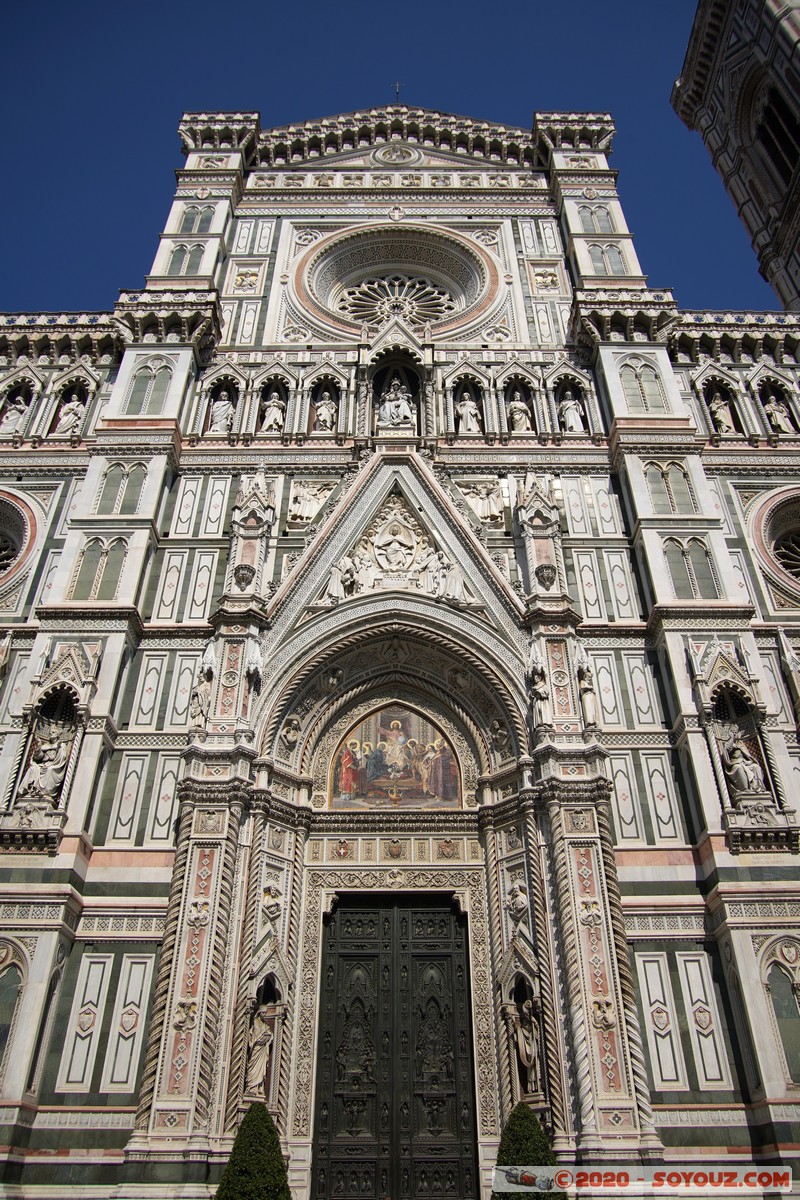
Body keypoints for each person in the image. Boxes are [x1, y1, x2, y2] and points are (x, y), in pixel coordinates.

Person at [245, 1006, 273, 1096]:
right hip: (255, 1048)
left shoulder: (265, 1024)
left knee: (261, 1068)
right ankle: (251, 1088)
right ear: (259, 1012)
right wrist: (257, 1039)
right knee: (253, 1067)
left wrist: (268, 1037)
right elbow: (253, 1036)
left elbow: (269, 1034)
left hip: (262, 1049)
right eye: (263, 1012)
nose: (264, 1014)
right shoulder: (255, 1022)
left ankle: (259, 1088)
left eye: (265, 1013)